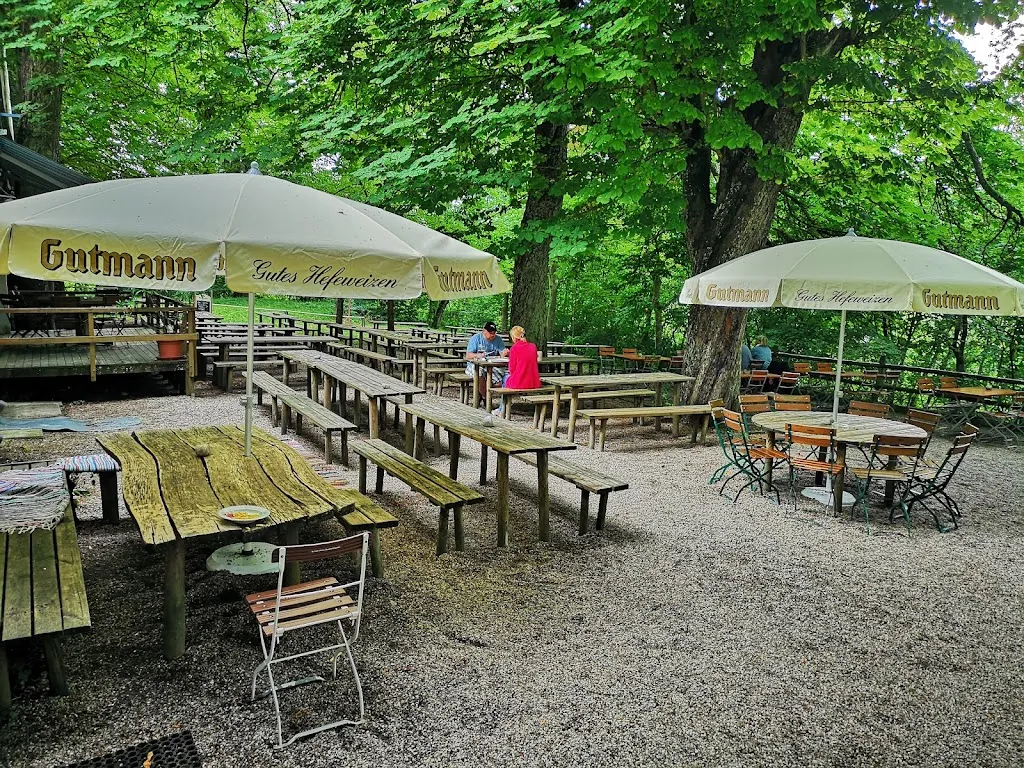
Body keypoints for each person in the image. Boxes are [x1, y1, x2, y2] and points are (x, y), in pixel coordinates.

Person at [493, 326, 541, 415]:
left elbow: (512, 369)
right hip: (533, 381)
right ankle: (502, 408)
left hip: (520, 381)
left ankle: (501, 409)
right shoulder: (533, 346)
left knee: (504, 378)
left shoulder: (514, 349)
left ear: (514, 337)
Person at [465, 321, 508, 385]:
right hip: (475, 365)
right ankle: (485, 394)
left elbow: (502, 353)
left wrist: (505, 353)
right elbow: (468, 355)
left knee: (501, 375)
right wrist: (478, 355)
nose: (493, 335)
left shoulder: (498, 339)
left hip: (491, 366)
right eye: (490, 333)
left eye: (494, 333)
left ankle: (492, 392)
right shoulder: (475, 338)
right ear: (484, 331)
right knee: (479, 373)